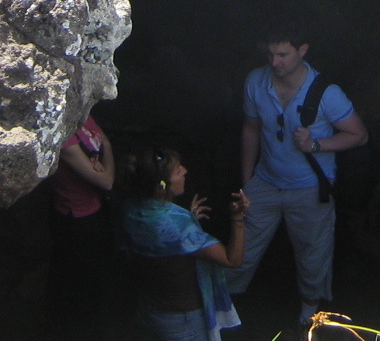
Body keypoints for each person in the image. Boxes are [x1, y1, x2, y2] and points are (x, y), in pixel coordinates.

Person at [230, 25, 369, 328]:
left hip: (310, 188)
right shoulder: (256, 80)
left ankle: (310, 317)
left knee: (313, 254)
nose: (274, 62)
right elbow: (251, 128)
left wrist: (316, 144)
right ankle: (224, 308)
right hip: (265, 182)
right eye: (270, 54)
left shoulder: (326, 93)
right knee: (242, 247)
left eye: (282, 54)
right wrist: (247, 183)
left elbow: (358, 135)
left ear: (302, 50)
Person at [115, 146, 250, 341]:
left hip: (151, 310)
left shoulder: (129, 210)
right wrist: (238, 217)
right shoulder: (178, 226)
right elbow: (233, 259)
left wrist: (188, 219)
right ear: (162, 187)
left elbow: (161, 241)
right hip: (184, 320)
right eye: (178, 171)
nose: (185, 171)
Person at [45, 114, 116, 339]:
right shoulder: (64, 137)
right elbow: (106, 182)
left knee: (95, 278)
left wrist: (105, 150)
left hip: (95, 210)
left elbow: (104, 144)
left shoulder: (84, 117)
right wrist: (102, 158)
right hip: (74, 219)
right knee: (78, 283)